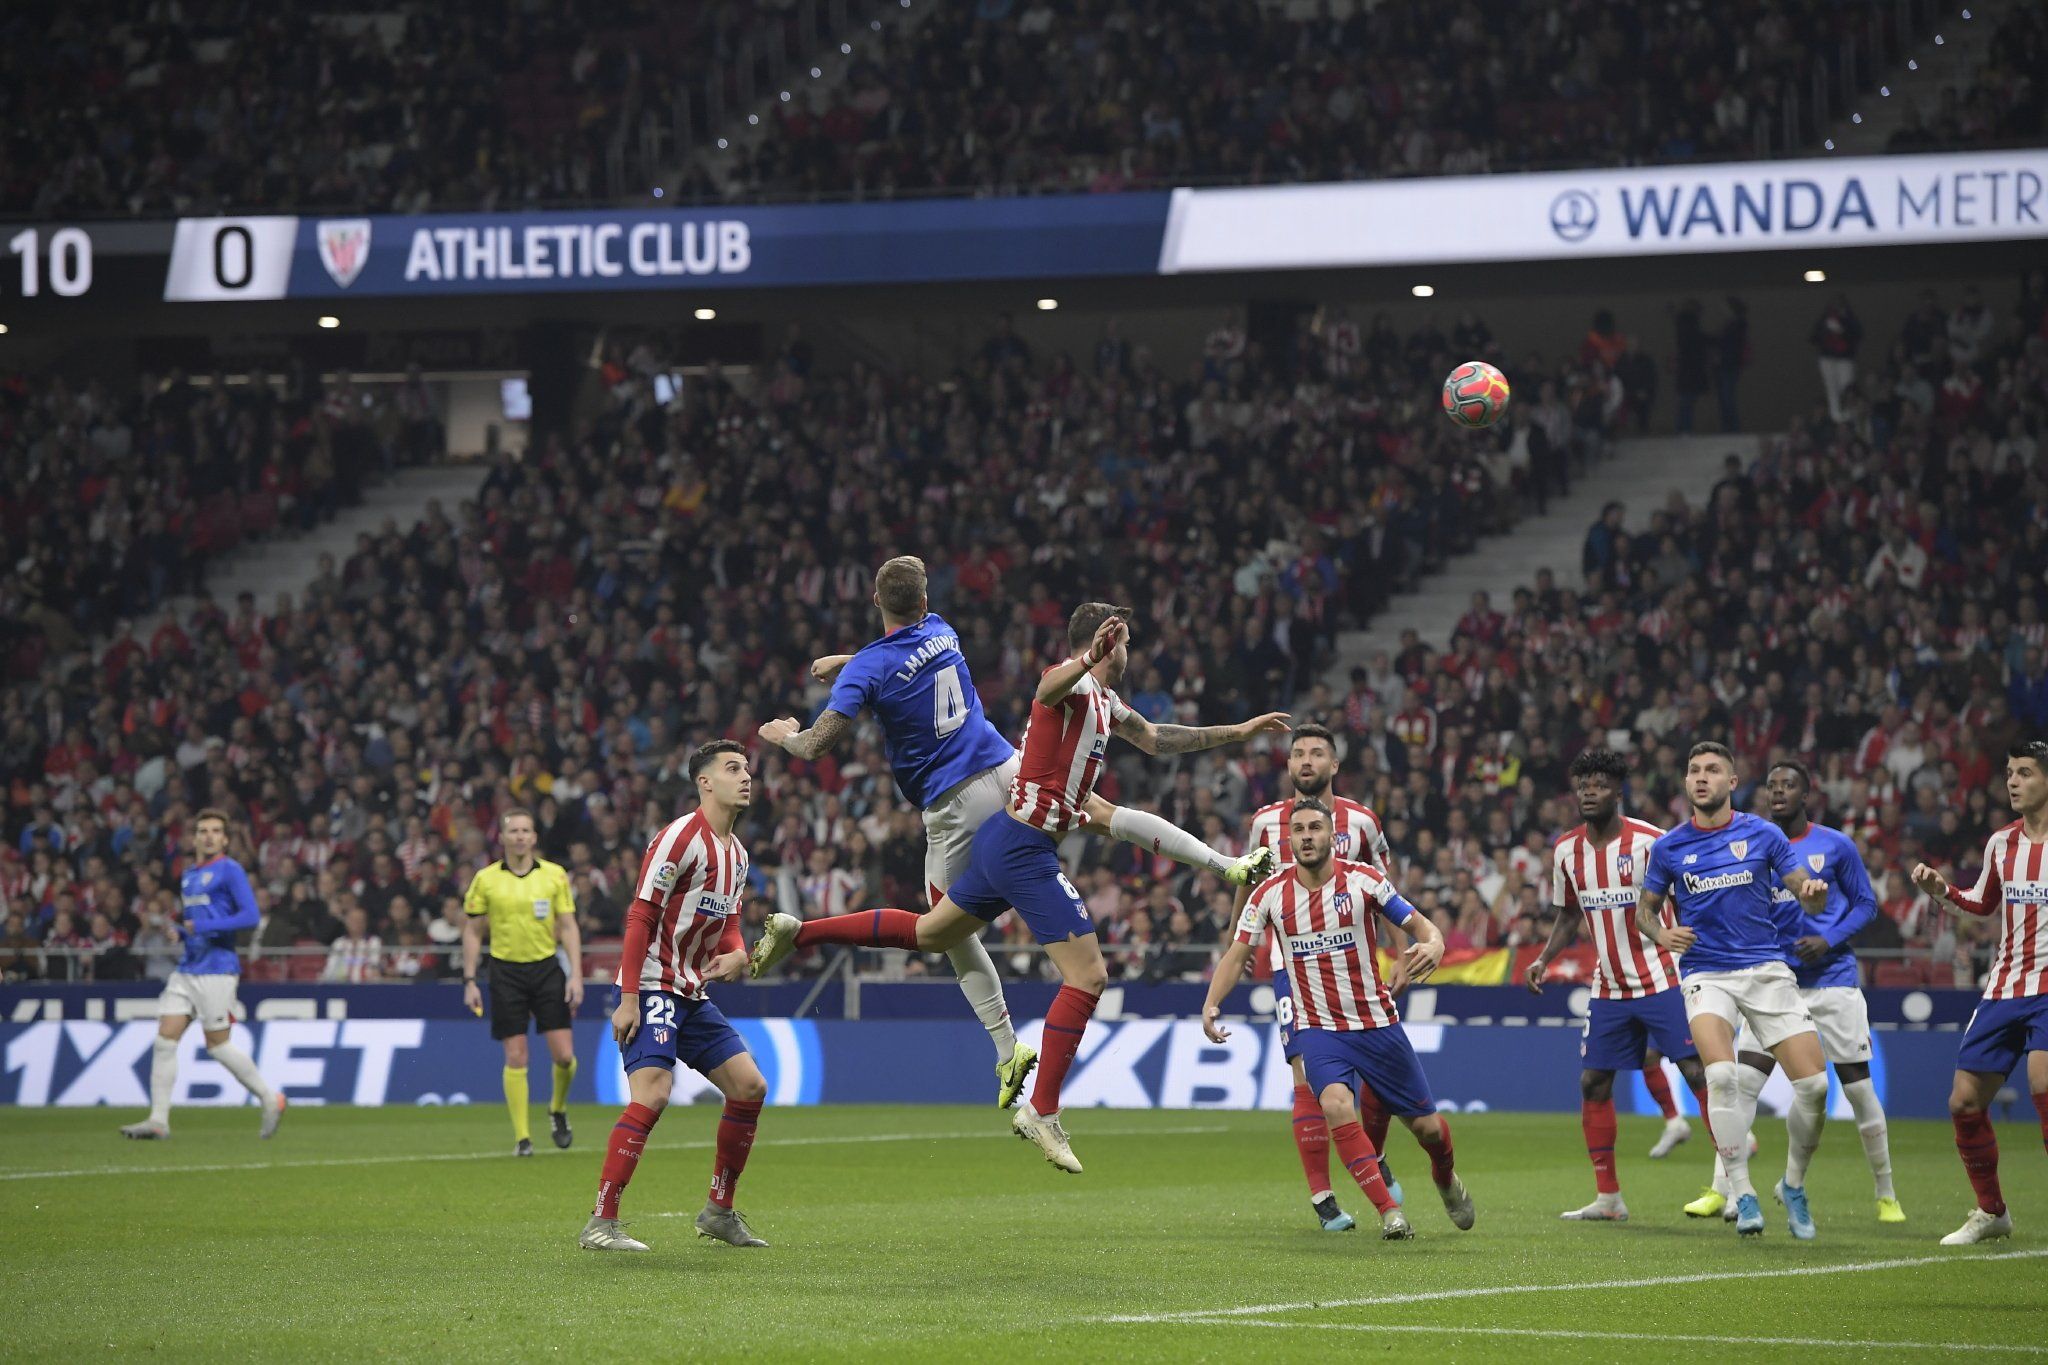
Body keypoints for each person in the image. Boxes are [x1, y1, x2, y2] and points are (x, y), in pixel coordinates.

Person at [750, 603, 1282, 1173]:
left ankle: (800, 931)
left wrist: (1240, 731)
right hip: (1023, 848)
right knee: (1089, 974)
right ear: (1104, 644)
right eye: (1125, 645)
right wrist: (1087, 658)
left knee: (933, 933)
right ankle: (1042, 1110)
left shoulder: (1103, 701)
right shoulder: (1072, 687)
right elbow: (1048, 684)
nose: (1130, 655)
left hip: (1008, 838)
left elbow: (1157, 738)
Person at [758, 554, 1038, 1106]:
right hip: (1009, 769)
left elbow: (817, 744)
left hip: (957, 802)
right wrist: (849, 662)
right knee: (1078, 827)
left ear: (874, 603)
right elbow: (897, 659)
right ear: (925, 602)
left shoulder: (868, 668)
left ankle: (1008, 1050)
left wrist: (782, 735)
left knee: (941, 930)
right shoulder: (943, 630)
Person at [1202, 798, 1470, 1241]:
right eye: (1298, 830)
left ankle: (1444, 1177)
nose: (1306, 836)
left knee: (1429, 1130)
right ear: (1289, 840)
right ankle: (1389, 1212)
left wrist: (1435, 943)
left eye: (1314, 828)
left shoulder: (1365, 880)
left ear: (1331, 835)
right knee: (1333, 1104)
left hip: (1376, 1023)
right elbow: (1237, 954)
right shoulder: (1268, 893)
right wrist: (1212, 1003)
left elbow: (1420, 925)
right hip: (1318, 1028)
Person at [1683, 761, 1900, 1224]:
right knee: (1738, 1087)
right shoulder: (1750, 843)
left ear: (1808, 793)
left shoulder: (1835, 845)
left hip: (1832, 980)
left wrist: (1829, 938)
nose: (1779, 792)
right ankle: (1721, 1190)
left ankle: (1886, 1193)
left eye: (1790, 785)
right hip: (1771, 981)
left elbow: (1866, 904)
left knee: (1858, 1089)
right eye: (1773, 785)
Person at [1637, 742, 1835, 1239]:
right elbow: (1644, 910)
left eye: (1712, 771)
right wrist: (1661, 934)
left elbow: (1804, 895)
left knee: (1814, 1088)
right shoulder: (1669, 848)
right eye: (1694, 769)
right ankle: (1742, 1193)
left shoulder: (1763, 833)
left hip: (1766, 969)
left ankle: (1792, 1184)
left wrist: (1814, 894)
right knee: (1721, 1076)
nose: (1701, 778)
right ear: (1686, 782)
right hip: (1707, 974)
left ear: (1731, 781)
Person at [580, 741, 771, 1253]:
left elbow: (728, 921)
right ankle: (602, 1221)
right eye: (733, 769)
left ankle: (718, 1211)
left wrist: (737, 955)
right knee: (654, 1093)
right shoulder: (678, 839)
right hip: (648, 984)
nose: (746, 776)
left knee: (750, 1086)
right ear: (704, 782)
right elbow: (641, 915)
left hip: (692, 989)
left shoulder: (737, 854)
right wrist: (626, 998)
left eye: (747, 768)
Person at [1234, 722, 1405, 1232]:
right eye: (1297, 754)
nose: (1306, 761)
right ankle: (1323, 1197)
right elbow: (1248, 884)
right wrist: (1236, 945)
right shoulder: (1266, 823)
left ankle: (1370, 1156)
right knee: (1306, 1076)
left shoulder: (1364, 822)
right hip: (1293, 968)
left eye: (1316, 754)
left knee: (1379, 1077)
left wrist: (1400, 955)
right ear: (1288, 766)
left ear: (1334, 765)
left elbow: (1387, 891)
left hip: (1358, 966)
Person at [1526, 748, 1708, 1222]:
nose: (1589, 792)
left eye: (1600, 785)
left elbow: (1686, 900)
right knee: (1593, 1082)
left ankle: (1731, 1181)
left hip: (1661, 975)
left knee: (1697, 1072)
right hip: (1608, 987)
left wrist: (1700, 956)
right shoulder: (1567, 850)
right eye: (1583, 785)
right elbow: (1569, 915)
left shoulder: (1653, 842)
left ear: (1618, 791)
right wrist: (1545, 958)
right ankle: (1608, 1198)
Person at [1909, 740, 2048, 1246]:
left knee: (2042, 1082)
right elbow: (1983, 905)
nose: (2012, 781)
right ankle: (1992, 1211)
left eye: (2026, 773)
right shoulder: (2000, 844)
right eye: (2010, 772)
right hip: (2006, 986)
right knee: (1964, 1103)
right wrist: (1943, 892)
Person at [118, 809, 286, 1140]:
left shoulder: (230, 869)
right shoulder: (189, 873)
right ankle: (158, 1121)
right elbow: (199, 921)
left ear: (225, 839)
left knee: (218, 1046)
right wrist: (182, 934)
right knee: (164, 1041)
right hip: (188, 967)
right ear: (194, 837)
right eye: (203, 830)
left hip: (217, 969)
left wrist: (205, 926)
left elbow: (250, 915)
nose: (209, 836)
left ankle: (269, 1097)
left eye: (215, 831)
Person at [462, 808, 583, 1157]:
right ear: (502, 837)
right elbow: (472, 930)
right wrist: (469, 980)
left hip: (546, 969)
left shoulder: (554, 876)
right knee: (516, 1055)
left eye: (525, 830)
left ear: (533, 837)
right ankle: (523, 1138)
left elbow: (569, 926)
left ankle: (557, 1109)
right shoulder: (485, 879)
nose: (519, 836)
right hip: (505, 972)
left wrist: (575, 974)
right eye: (513, 830)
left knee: (564, 1057)